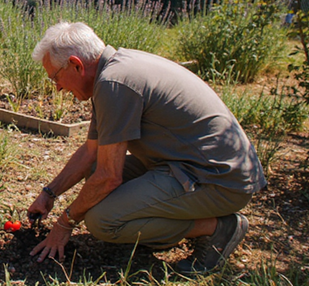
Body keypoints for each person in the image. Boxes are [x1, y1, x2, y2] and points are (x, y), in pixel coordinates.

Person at [26, 22, 266, 275]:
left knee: (101, 222)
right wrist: (49, 193)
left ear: (77, 64)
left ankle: (218, 227)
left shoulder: (114, 84)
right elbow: (91, 152)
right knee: (95, 171)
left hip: (219, 182)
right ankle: (155, 227)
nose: (58, 87)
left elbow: (109, 177)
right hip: (190, 167)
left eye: (55, 76)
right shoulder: (114, 71)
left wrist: (65, 223)